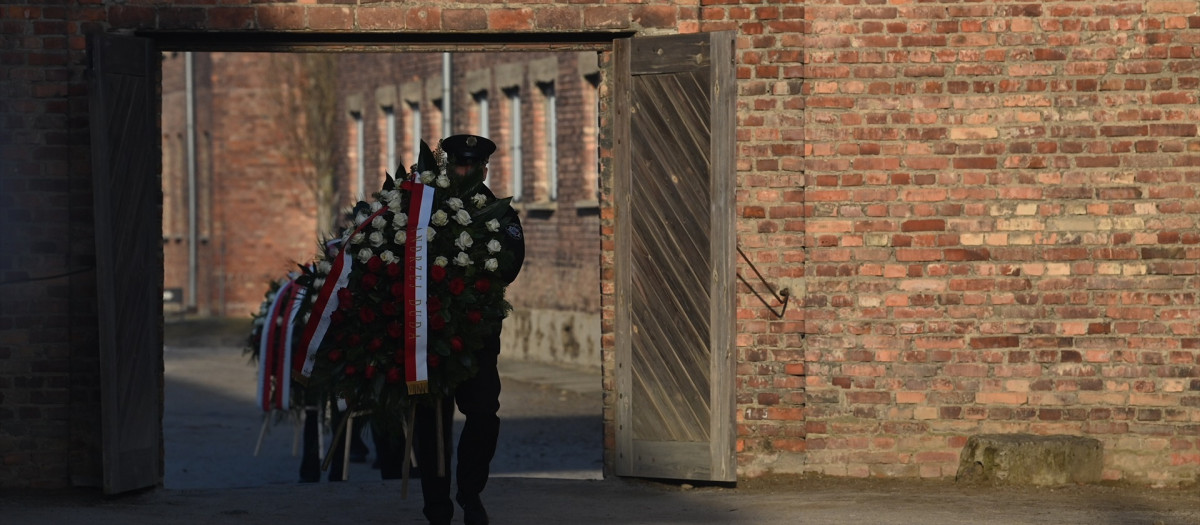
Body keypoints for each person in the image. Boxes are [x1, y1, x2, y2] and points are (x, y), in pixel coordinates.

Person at [414, 135, 524, 525]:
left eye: (471, 167)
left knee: (482, 413)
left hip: (476, 333)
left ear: (483, 169)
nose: (464, 172)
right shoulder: (425, 205)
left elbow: (511, 262)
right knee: (430, 422)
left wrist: (471, 277)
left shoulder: (497, 213)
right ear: (448, 166)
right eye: (458, 165)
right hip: (428, 333)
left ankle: (470, 489)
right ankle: (437, 506)